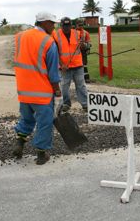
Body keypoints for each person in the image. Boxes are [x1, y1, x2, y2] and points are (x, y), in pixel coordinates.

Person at [12, 12, 61, 165]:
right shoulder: (48, 42)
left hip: (23, 90)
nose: (54, 26)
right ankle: (41, 154)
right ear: (45, 22)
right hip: (42, 93)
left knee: (26, 119)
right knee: (44, 122)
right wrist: (57, 91)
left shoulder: (20, 36)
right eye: (52, 23)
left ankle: (19, 142)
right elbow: (53, 73)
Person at [52, 17, 88, 112]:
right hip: (64, 67)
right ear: (61, 26)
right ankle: (66, 104)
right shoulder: (56, 35)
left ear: (71, 25)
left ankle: (85, 104)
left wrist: (83, 45)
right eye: (64, 25)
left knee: (81, 85)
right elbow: (55, 52)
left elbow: (84, 47)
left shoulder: (77, 33)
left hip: (78, 65)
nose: (66, 28)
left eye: (68, 25)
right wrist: (61, 64)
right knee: (64, 86)